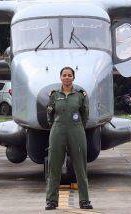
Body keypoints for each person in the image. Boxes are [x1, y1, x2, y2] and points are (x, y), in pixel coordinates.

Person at [45, 67, 93, 210]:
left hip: (76, 131)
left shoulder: (80, 95)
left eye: (69, 75)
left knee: (81, 167)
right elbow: (49, 115)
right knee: (54, 167)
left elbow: (85, 115)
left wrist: (77, 127)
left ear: (73, 78)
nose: (67, 78)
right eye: (64, 75)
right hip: (57, 131)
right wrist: (57, 126)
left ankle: (84, 200)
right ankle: (52, 201)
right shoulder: (54, 95)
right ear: (60, 78)